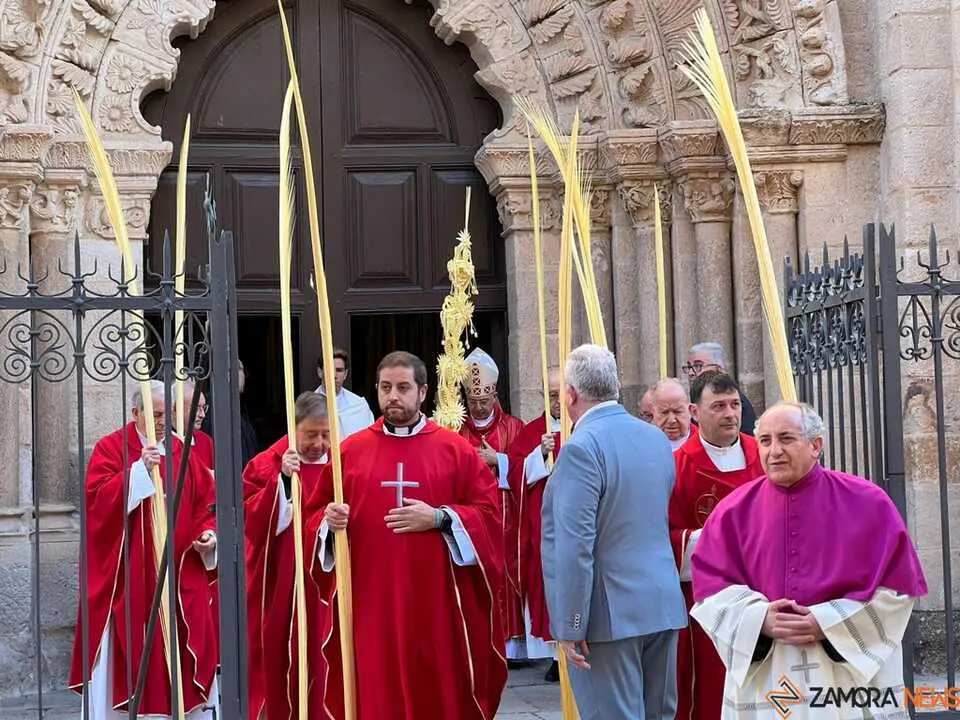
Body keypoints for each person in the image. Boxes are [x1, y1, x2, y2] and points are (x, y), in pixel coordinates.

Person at [690, 402, 928, 719]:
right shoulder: (731, 512)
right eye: (765, 441)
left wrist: (829, 623)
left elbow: (897, 592)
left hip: (844, 674)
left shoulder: (868, 503)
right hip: (769, 671)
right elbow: (710, 593)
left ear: (816, 445)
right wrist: (759, 619)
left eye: (786, 439)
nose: (774, 451)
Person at [315, 351, 508, 719]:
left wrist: (440, 517)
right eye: (386, 388)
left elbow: (489, 514)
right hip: (372, 605)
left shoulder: (455, 451)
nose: (393, 397)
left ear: (423, 393)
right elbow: (315, 513)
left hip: (436, 607)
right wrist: (329, 521)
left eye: (403, 388)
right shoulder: (350, 454)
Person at [541, 344, 687, 720]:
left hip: (607, 618)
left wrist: (571, 623)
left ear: (570, 395)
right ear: (616, 386)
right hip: (661, 603)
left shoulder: (581, 449)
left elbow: (575, 546)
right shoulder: (656, 440)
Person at [68, 380, 219, 719]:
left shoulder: (182, 451)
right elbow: (97, 505)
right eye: (155, 415)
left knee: (182, 659)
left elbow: (205, 503)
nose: (163, 422)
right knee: (135, 654)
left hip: (179, 576)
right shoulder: (111, 448)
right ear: (135, 413)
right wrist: (137, 471)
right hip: (131, 577)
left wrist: (208, 535)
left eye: (168, 414)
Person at [668, 370, 763, 720]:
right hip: (706, 602)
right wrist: (709, 540)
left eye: (735, 405)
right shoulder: (678, 467)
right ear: (695, 412)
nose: (730, 414)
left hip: (763, 594)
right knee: (710, 690)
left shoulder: (763, 455)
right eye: (719, 406)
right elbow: (665, 536)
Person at [242, 391, 331, 720]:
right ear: (295, 430)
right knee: (279, 657)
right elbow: (250, 519)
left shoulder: (341, 464)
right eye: (311, 435)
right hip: (281, 583)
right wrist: (281, 481)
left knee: (324, 661)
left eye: (325, 434)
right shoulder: (269, 462)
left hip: (325, 585)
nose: (319, 444)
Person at [457, 347, 525, 659]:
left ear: (494, 394)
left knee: (509, 573)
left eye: (484, 401)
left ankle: (513, 647)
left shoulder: (514, 427)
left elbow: (527, 467)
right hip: (476, 518)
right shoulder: (455, 430)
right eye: (473, 402)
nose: (480, 407)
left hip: (509, 515)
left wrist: (497, 459)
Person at [506, 367, 563, 680]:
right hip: (542, 524)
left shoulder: (582, 426)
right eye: (551, 395)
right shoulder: (531, 432)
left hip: (577, 524)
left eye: (560, 393)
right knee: (546, 585)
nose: (556, 401)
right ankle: (555, 655)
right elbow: (514, 474)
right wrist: (538, 455)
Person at [682, 342, 757, 435]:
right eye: (689, 367)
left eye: (698, 366)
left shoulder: (739, 402)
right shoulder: (691, 400)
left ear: (718, 368)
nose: (691, 373)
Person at [315, 347, 375, 438]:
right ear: (320, 372)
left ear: (345, 374)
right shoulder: (307, 408)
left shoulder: (359, 405)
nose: (334, 375)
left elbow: (369, 441)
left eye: (339, 370)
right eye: (329, 369)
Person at [650, 378, 691, 450]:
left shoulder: (706, 443)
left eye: (677, 412)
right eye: (664, 412)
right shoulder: (642, 444)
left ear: (690, 411)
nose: (671, 420)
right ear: (653, 412)